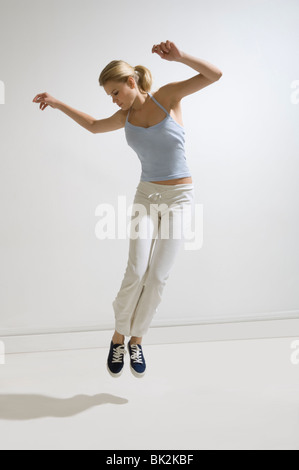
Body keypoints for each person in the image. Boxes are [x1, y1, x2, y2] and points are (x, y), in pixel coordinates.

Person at [33, 40, 222, 379]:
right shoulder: (126, 117)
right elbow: (92, 126)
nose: (114, 100)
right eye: (110, 95)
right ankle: (118, 336)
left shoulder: (167, 98)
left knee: (158, 276)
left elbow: (215, 75)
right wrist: (58, 103)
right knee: (136, 270)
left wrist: (180, 58)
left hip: (180, 197)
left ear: (132, 83)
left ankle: (137, 339)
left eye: (116, 92)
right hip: (146, 197)